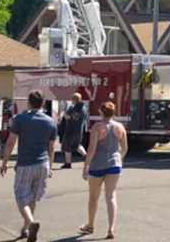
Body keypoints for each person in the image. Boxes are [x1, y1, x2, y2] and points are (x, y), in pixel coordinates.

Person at [0, 90, 58, 242]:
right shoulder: (50, 121)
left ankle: (30, 223)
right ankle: (26, 228)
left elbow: (10, 142)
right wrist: (50, 167)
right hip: (43, 163)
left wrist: (4, 162)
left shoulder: (21, 119)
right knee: (32, 196)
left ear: (29, 103)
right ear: (43, 104)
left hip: (26, 164)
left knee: (21, 197)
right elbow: (51, 147)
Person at [79, 102, 128, 239]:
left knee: (93, 198)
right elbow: (124, 148)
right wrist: (120, 159)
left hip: (97, 165)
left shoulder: (97, 127)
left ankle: (90, 225)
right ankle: (111, 228)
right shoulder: (119, 127)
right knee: (111, 196)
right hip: (114, 164)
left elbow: (92, 149)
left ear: (101, 112)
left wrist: (86, 165)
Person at [61, 94, 89, 169]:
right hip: (79, 130)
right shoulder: (84, 108)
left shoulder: (72, 107)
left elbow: (67, 117)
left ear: (73, 99)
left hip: (71, 129)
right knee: (77, 145)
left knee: (67, 146)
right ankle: (86, 156)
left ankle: (68, 163)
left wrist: (64, 112)